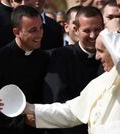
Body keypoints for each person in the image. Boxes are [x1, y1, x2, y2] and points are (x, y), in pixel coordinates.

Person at [25, 25, 120, 133]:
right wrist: (29, 108)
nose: (96, 57)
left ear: (113, 49)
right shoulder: (98, 82)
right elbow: (71, 112)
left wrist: (111, 32)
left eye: (101, 51)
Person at [0, 5, 49, 134]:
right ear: (16, 32)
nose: (40, 34)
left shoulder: (43, 58)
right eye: (33, 30)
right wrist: (22, 123)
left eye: (41, 28)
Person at [43, 6, 104, 134]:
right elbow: (57, 103)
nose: (93, 35)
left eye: (97, 29)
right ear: (76, 30)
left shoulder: (109, 57)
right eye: (87, 30)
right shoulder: (61, 57)